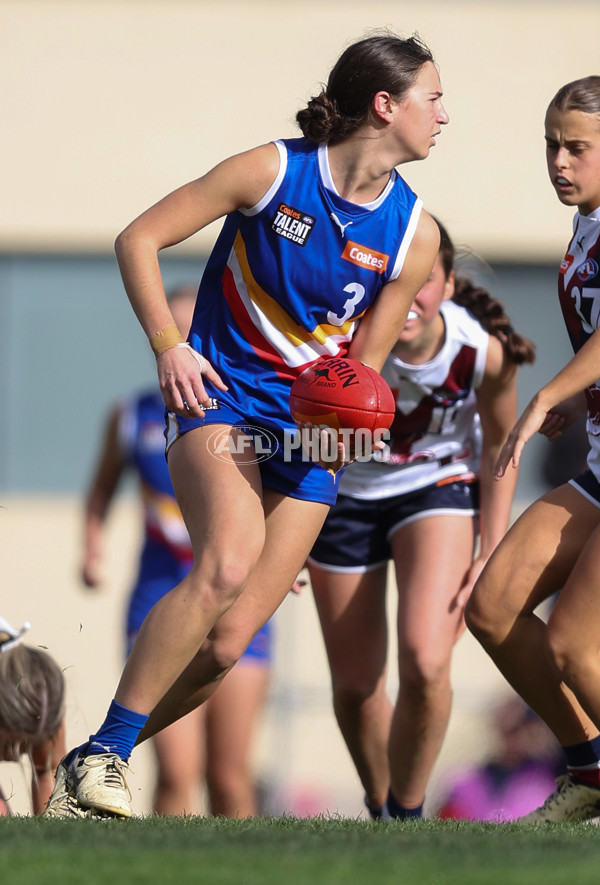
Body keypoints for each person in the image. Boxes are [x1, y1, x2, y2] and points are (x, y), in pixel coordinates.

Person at [44, 31, 449, 819]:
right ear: (385, 105)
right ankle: (104, 759)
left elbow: (360, 375)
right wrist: (170, 347)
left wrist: (343, 446)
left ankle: (95, 758)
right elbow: (138, 239)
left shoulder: (413, 232)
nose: (445, 115)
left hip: (307, 437)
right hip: (219, 403)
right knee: (227, 561)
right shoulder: (272, 170)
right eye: (433, 98)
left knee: (226, 647)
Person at [308, 220, 535, 820]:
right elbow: (297, 437)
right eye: (390, 281)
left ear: (449, 285)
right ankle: (382, 806)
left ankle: (408, 815)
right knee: (356, 689)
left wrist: (490, 546)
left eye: (422, 281)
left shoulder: (481, 352)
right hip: (344, 496)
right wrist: (282, 533)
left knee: (427, 658)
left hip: (435, 490)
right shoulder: (336, 344)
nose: (406, 295)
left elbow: (498, 447)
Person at [80, 284, 273, 817]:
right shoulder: (131, 414)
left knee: (230, 775)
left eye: (198, 331)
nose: (186, 344)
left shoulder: (251, 412)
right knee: (178, 770)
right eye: (173, 331)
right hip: (159, 596)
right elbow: (99, 490)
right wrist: (91, 548)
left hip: (239, 597)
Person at [465, 75, 600, 824]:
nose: (558, 160)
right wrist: (578, 395)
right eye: (551, 143)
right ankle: (591, 767)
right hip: (599, 465)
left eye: (576, 146)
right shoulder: (585, 228)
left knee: (577, 645)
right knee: (493, 606)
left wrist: (551, 392)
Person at [435, 695, 565, 822]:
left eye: (523, 727)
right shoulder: (463, 782)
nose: (519, 738)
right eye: (513, 730)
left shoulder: (550, 777)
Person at [0, 616, 66, 816]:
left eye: (26, 746)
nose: (13, 756)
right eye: (7, 744)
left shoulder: (40, 700)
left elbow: (48, 769)